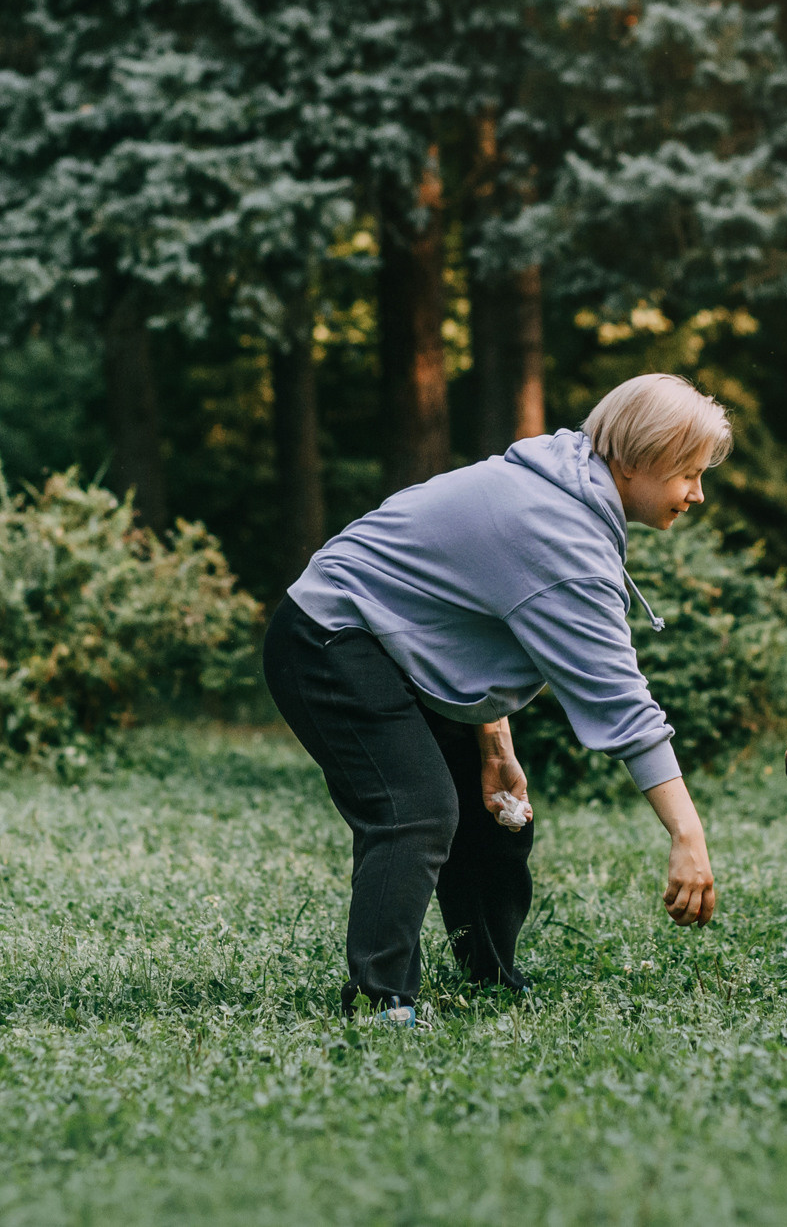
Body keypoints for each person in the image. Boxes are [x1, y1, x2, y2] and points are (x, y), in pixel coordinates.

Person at [263, 373, 728, 1022]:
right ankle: (380, 998)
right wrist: (687, 831)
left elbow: (473, 615)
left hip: (392, 643)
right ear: (632, 459)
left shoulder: (566, 486)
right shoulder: (560, 529)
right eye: (689, 473)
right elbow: (623, 707)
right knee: (413, 809)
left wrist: (495, 742)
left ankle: (487, 975)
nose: (698, 493)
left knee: (499, 811)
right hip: (329, 637)